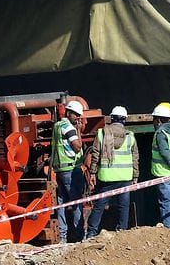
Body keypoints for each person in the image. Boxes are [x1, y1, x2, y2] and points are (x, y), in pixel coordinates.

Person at [85, 106, 138, 238]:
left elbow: (95, 155)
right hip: (125, 178)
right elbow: (135, 157)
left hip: (106, 177)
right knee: (123, 206)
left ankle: (91, 233)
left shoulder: (102, 133)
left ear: (112, 118)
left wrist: (92, 173)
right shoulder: (130, 136)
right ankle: (122, 232)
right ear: (124, 120)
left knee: (99, 207)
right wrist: (135, 175)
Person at [51, 100, 86, 243]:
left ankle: (63, 237)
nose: (78, 118)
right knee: (76, 203)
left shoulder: (57, 126)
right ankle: (79, 236)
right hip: (71, 170)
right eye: (76, 115)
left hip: (60, 170)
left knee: (62, 204)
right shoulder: (69, 128)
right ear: (69, 113)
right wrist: (78, 130)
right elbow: (77, 147)